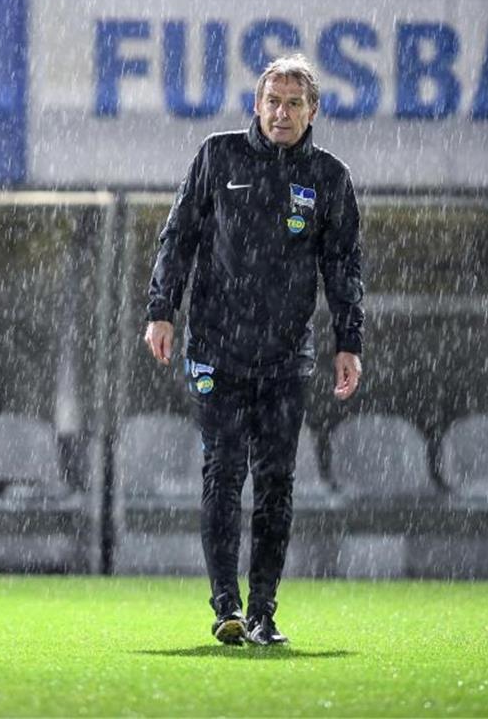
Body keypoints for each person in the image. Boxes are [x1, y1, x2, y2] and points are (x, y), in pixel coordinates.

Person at [143, 54, 364, 646]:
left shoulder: (329, 179)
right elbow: (178, 237)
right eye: (274, 101)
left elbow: (343, 268)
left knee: (275, 483)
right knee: (221, 473)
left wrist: (350, 342)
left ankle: (264, 611)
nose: (282, 112)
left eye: (295, 103)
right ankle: (225, 607)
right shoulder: (219, 157)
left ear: (313, 111)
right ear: (256, 105)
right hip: (215, 350)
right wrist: (161, 309)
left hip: (286, 358)